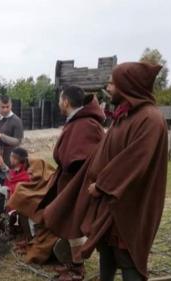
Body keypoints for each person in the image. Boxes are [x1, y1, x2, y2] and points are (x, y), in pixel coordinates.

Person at [44, 62, 168, 281]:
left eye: (113, 83)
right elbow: (103, 153)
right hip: (110, 202)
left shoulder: (149, 119)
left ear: (128, 86)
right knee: (107, 251)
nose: (108, 87)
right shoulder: (125, 116)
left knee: (127, 256)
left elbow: (133, 161)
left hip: (130, 204)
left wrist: (102, 185)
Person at [40, 86, 106, 280]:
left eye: (61, 100)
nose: (60, 103)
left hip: (77, 184)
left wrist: (66, 159)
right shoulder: (78, 121)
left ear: (66, 101)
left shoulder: (86, 124)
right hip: (70, 182)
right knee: (69, 225)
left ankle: (78, 269)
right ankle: (73, 263)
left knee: (74, 225)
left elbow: (84, 157)